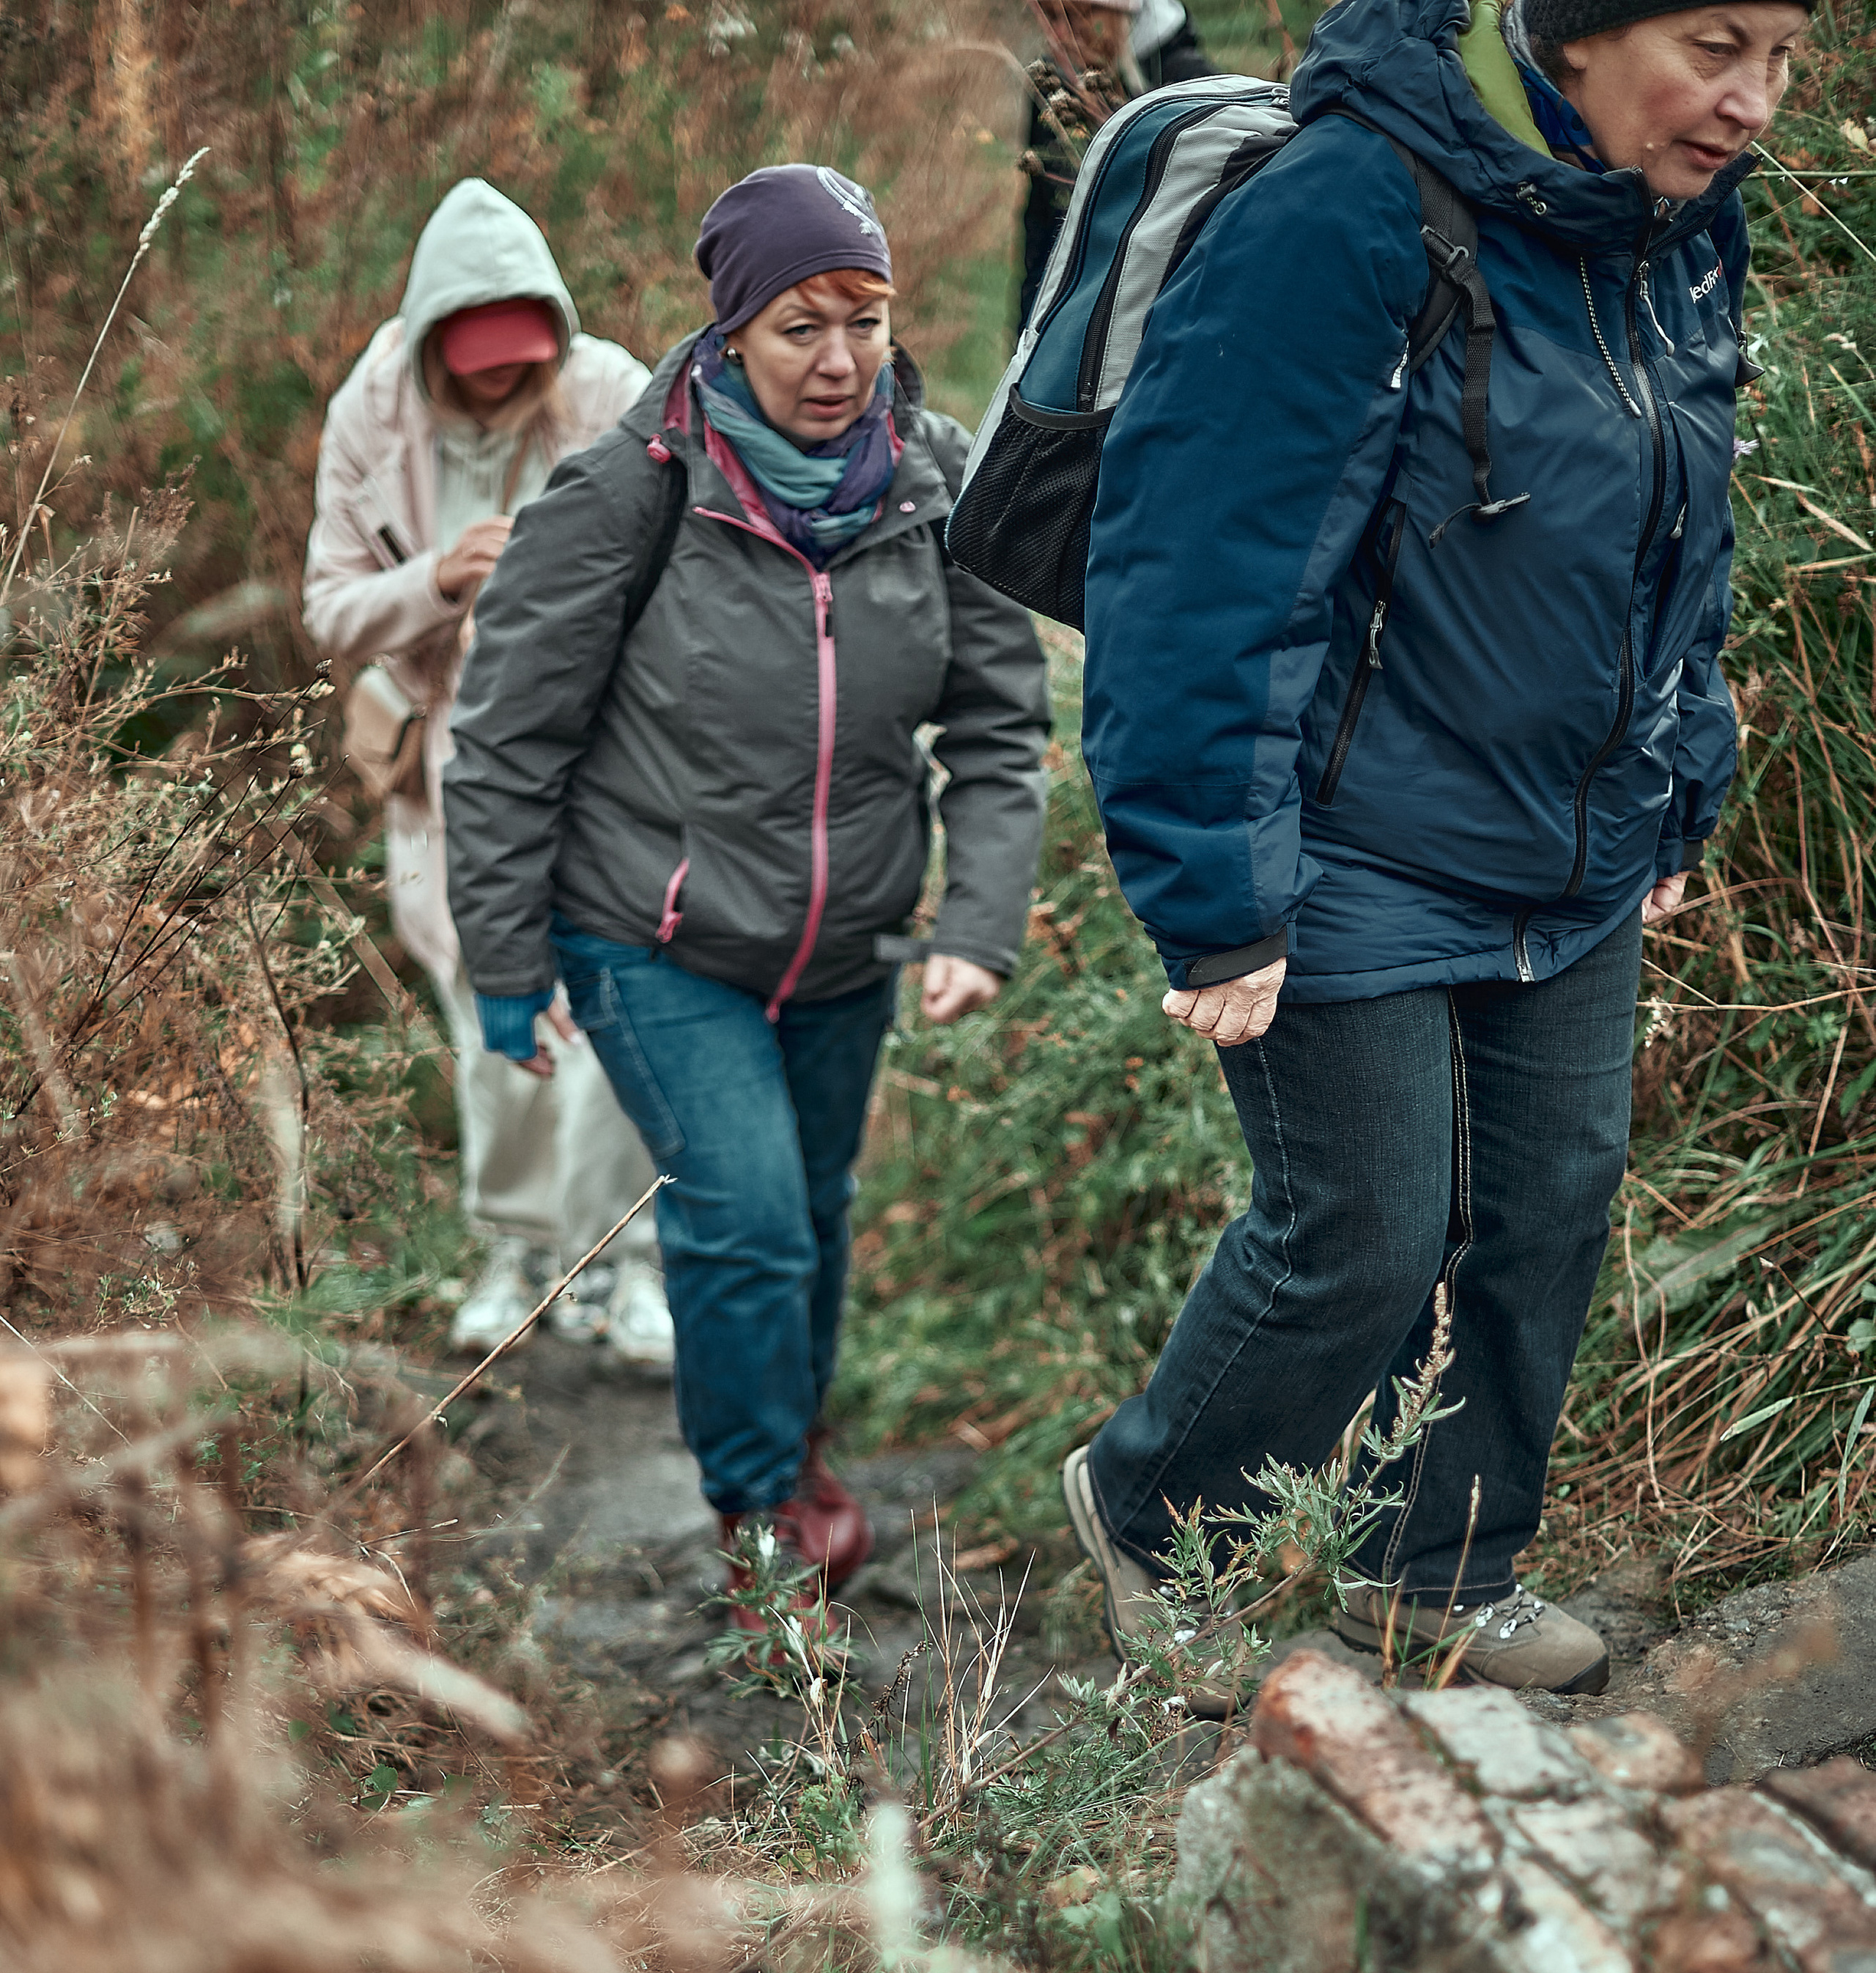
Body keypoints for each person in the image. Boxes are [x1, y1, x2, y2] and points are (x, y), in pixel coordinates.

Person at [1064, 0, 1806, 1703]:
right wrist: (1217, 888)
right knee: (1363, 1229)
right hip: (1350, 840)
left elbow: (1676, 531)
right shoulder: (1349, 206)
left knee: (1546, 1203)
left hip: (1574, 833)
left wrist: (1677, 769)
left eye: (1780, 53)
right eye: (1713, 42)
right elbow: (1199, 560)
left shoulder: (1680, 222)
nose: (1749, 102)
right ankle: (1150, 1509)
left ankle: (1437, 1566)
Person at [443, 164, 1049, 1613]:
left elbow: (996, 718)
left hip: (845, 936)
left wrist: (977, 917)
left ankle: (794, 1450)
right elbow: (508, 735)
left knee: (816, 1214)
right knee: (747, 1216)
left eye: (865, 319)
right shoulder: (625, 492)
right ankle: (758, 1516)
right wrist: (507, 964)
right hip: (655, 936)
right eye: (797, 327)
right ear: (729, 329)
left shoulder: (934, 478)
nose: (839, 362)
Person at [303, 177, 676, 1369]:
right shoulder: (372, 413)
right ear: (429, 352)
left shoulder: (609, 391)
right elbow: (331, 611)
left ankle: (623, 1264)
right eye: (478, 360)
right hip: (452, 758)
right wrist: (441, 584)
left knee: (614, 995)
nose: (505, 378)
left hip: (606, 748)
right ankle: (517, 1249)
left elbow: (696, 548)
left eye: (524, 355)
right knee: (487, 1010)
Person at [1018, 0, 1218, 330]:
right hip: (1070, 327)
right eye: (1050, 17)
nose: (1058, 33)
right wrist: (1028, 336)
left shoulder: (1191, 87)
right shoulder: (1053, 87)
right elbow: (1042, 227)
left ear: (1120, 15)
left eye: (1075, 16)